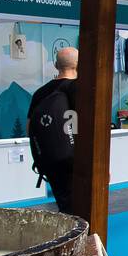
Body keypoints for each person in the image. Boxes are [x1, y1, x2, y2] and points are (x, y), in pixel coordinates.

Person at [27, 47, 79, 213]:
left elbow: (30, 127)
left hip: (52, 160)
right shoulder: (79, 89)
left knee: (65, 206)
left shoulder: (40, 93)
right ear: (78, 65)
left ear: (56, 65)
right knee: (83, 210)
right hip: (78, 161)